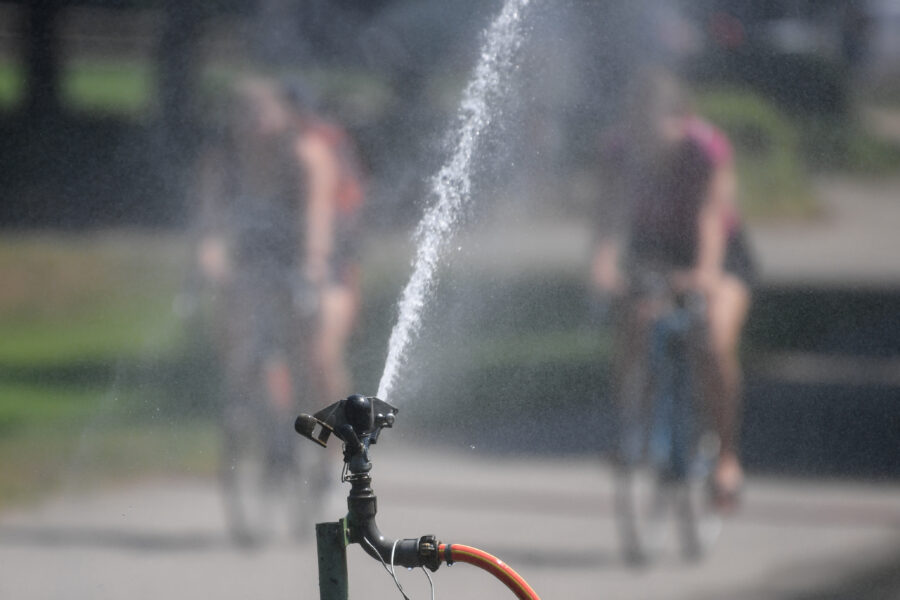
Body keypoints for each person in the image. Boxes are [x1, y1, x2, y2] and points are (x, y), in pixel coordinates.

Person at [592, 68, 754, 510]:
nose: (648, 141)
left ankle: (726, 457)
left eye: (656, 127)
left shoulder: (704, 150)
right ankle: (634, 428)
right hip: (655, 251)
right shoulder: (620, 151)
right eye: (638, 127)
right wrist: (604, 264)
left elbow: (709, 217)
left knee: (714, 339)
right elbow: (611, 216)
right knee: (634, 322)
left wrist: (704, 273)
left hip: (717, 252)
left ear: (681, 120)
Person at [195, 75, 364, 437]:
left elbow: (316, 220)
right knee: (241, 339)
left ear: (284, 116)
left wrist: (313, 264)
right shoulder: (223, 162)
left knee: (319, 351)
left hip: (320, 260)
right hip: (257, 260)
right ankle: (274, 429)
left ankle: (340, 436)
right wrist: (211, 258)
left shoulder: (307, 156)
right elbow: (211, 227)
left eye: (262, 113)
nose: (253, 123)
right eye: (243, 114)